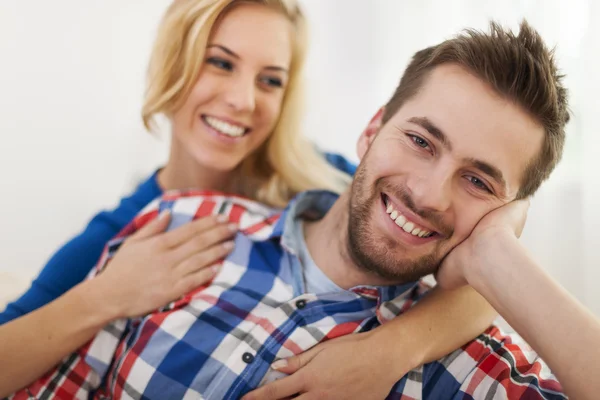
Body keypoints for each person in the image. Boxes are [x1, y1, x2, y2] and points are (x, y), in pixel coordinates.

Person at [11, 18, 598, 400]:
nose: (427, 193)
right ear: (375, 129)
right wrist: (105, 296)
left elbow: (446, 232)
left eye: (270, 80)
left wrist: (492, 258)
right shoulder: (158, 232)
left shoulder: (336, 175)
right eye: (219, 62)